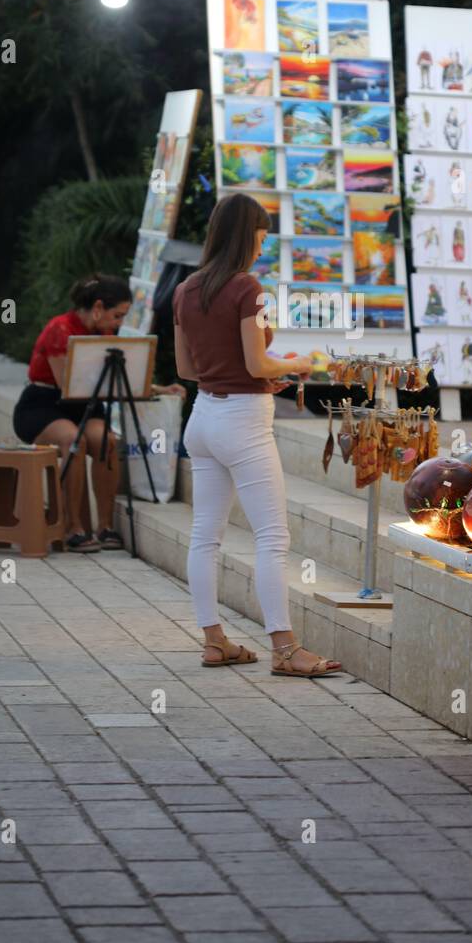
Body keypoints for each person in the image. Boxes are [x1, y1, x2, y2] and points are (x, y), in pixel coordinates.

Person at [173, 193, 342, 678]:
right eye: (262, 236)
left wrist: (258, 372)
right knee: (272, 536)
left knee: (205, 536)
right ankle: (286, 650)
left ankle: (214, 641)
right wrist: (298, 364)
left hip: (203, 418)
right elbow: (256, 363)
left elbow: (187, 367)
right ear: (246, 234)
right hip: (243, 423)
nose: (263, 246)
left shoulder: (186, 289)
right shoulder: (249, 289)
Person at [13, 274, 184, 553]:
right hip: (45, 403)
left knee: (106, 440)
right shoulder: (61, 328)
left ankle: (104, 526)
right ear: (98, 308)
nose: (119, 324)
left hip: (86, 404)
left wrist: (159, 389)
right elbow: (65, 384)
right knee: (74, 440)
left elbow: (115, 377)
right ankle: (73, 527)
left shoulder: (105, 334)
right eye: (117, 316)